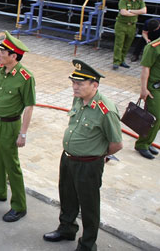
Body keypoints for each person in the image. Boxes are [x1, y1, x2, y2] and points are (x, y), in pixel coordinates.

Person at [43, 60, 122, 250]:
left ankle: (87, 244)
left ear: (95, 85)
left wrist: (99, 156)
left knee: (89, 206)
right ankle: (67, 229)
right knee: (67, 196)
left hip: (88, 164)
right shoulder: (77, 99)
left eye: (80, 83)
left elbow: (117, 144)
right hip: (69, 158)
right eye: (73, 82)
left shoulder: (106, 110)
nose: (75, 87)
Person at [0, 31, 35, 223]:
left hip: (10, 125)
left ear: (14, 56)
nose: (0, 54)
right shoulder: (0, 70)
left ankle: (19, 206)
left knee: (12, 165)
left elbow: (29, 106)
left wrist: (23, 134)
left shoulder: (26, 77)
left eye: (3, 52)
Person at [135, 35, 160, 159]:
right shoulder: (154, 47)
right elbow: (146, 68)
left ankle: (148, 142)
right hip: (154, 88)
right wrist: (144, 89)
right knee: (154, 117)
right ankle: (142, 144)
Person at [113, 0, 146, 70]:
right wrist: (136, 12)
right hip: (121, 24)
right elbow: (123, 12)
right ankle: (116, 61)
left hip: (132, 26)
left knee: (127, 44)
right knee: (119, 44)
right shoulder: (124, 0)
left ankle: (122, 60)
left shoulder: (140, 1)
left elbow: (144, 11)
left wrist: (130, 11)